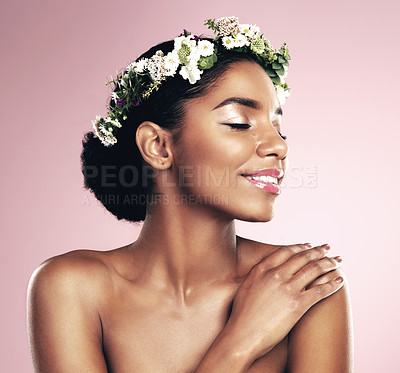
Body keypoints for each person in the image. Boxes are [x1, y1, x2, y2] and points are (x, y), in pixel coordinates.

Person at [27, 16, 353, 372]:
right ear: (158, 145)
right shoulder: (71, 288)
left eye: (279, 129)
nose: (278, 146)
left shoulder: (304, 287)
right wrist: (239, 342)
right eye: (239, 123)